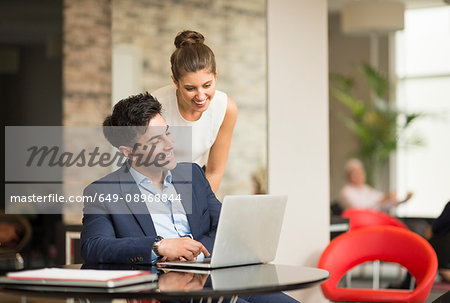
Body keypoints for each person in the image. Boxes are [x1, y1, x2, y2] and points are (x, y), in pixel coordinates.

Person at [80, 93, 298, 303]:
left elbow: (225, 227)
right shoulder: (103, 192)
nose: (169, 144)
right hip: (169, 292)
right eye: (156, 140)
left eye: (167, 132)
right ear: (127, 152)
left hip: (217, 279)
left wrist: (191, 251)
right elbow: (94, 247)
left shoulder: (192, 174)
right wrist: (159, 247)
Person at [152, 30, 237, 193]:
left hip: (196, 180)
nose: (200, 96)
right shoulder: (155, 107)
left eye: (207, 85)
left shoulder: (226, 109)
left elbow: (214, 171)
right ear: (175, 82)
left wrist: (200, 208)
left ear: (215, 76)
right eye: (190, 88)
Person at [338, 158, 412, 211]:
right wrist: (383, 199)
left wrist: (403, 200)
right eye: (355, 173)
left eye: (360, 172)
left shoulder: (366, 189)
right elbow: (360, 209)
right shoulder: (346, 192)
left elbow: (384, 203)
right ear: (348, 176)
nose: (359, 175)